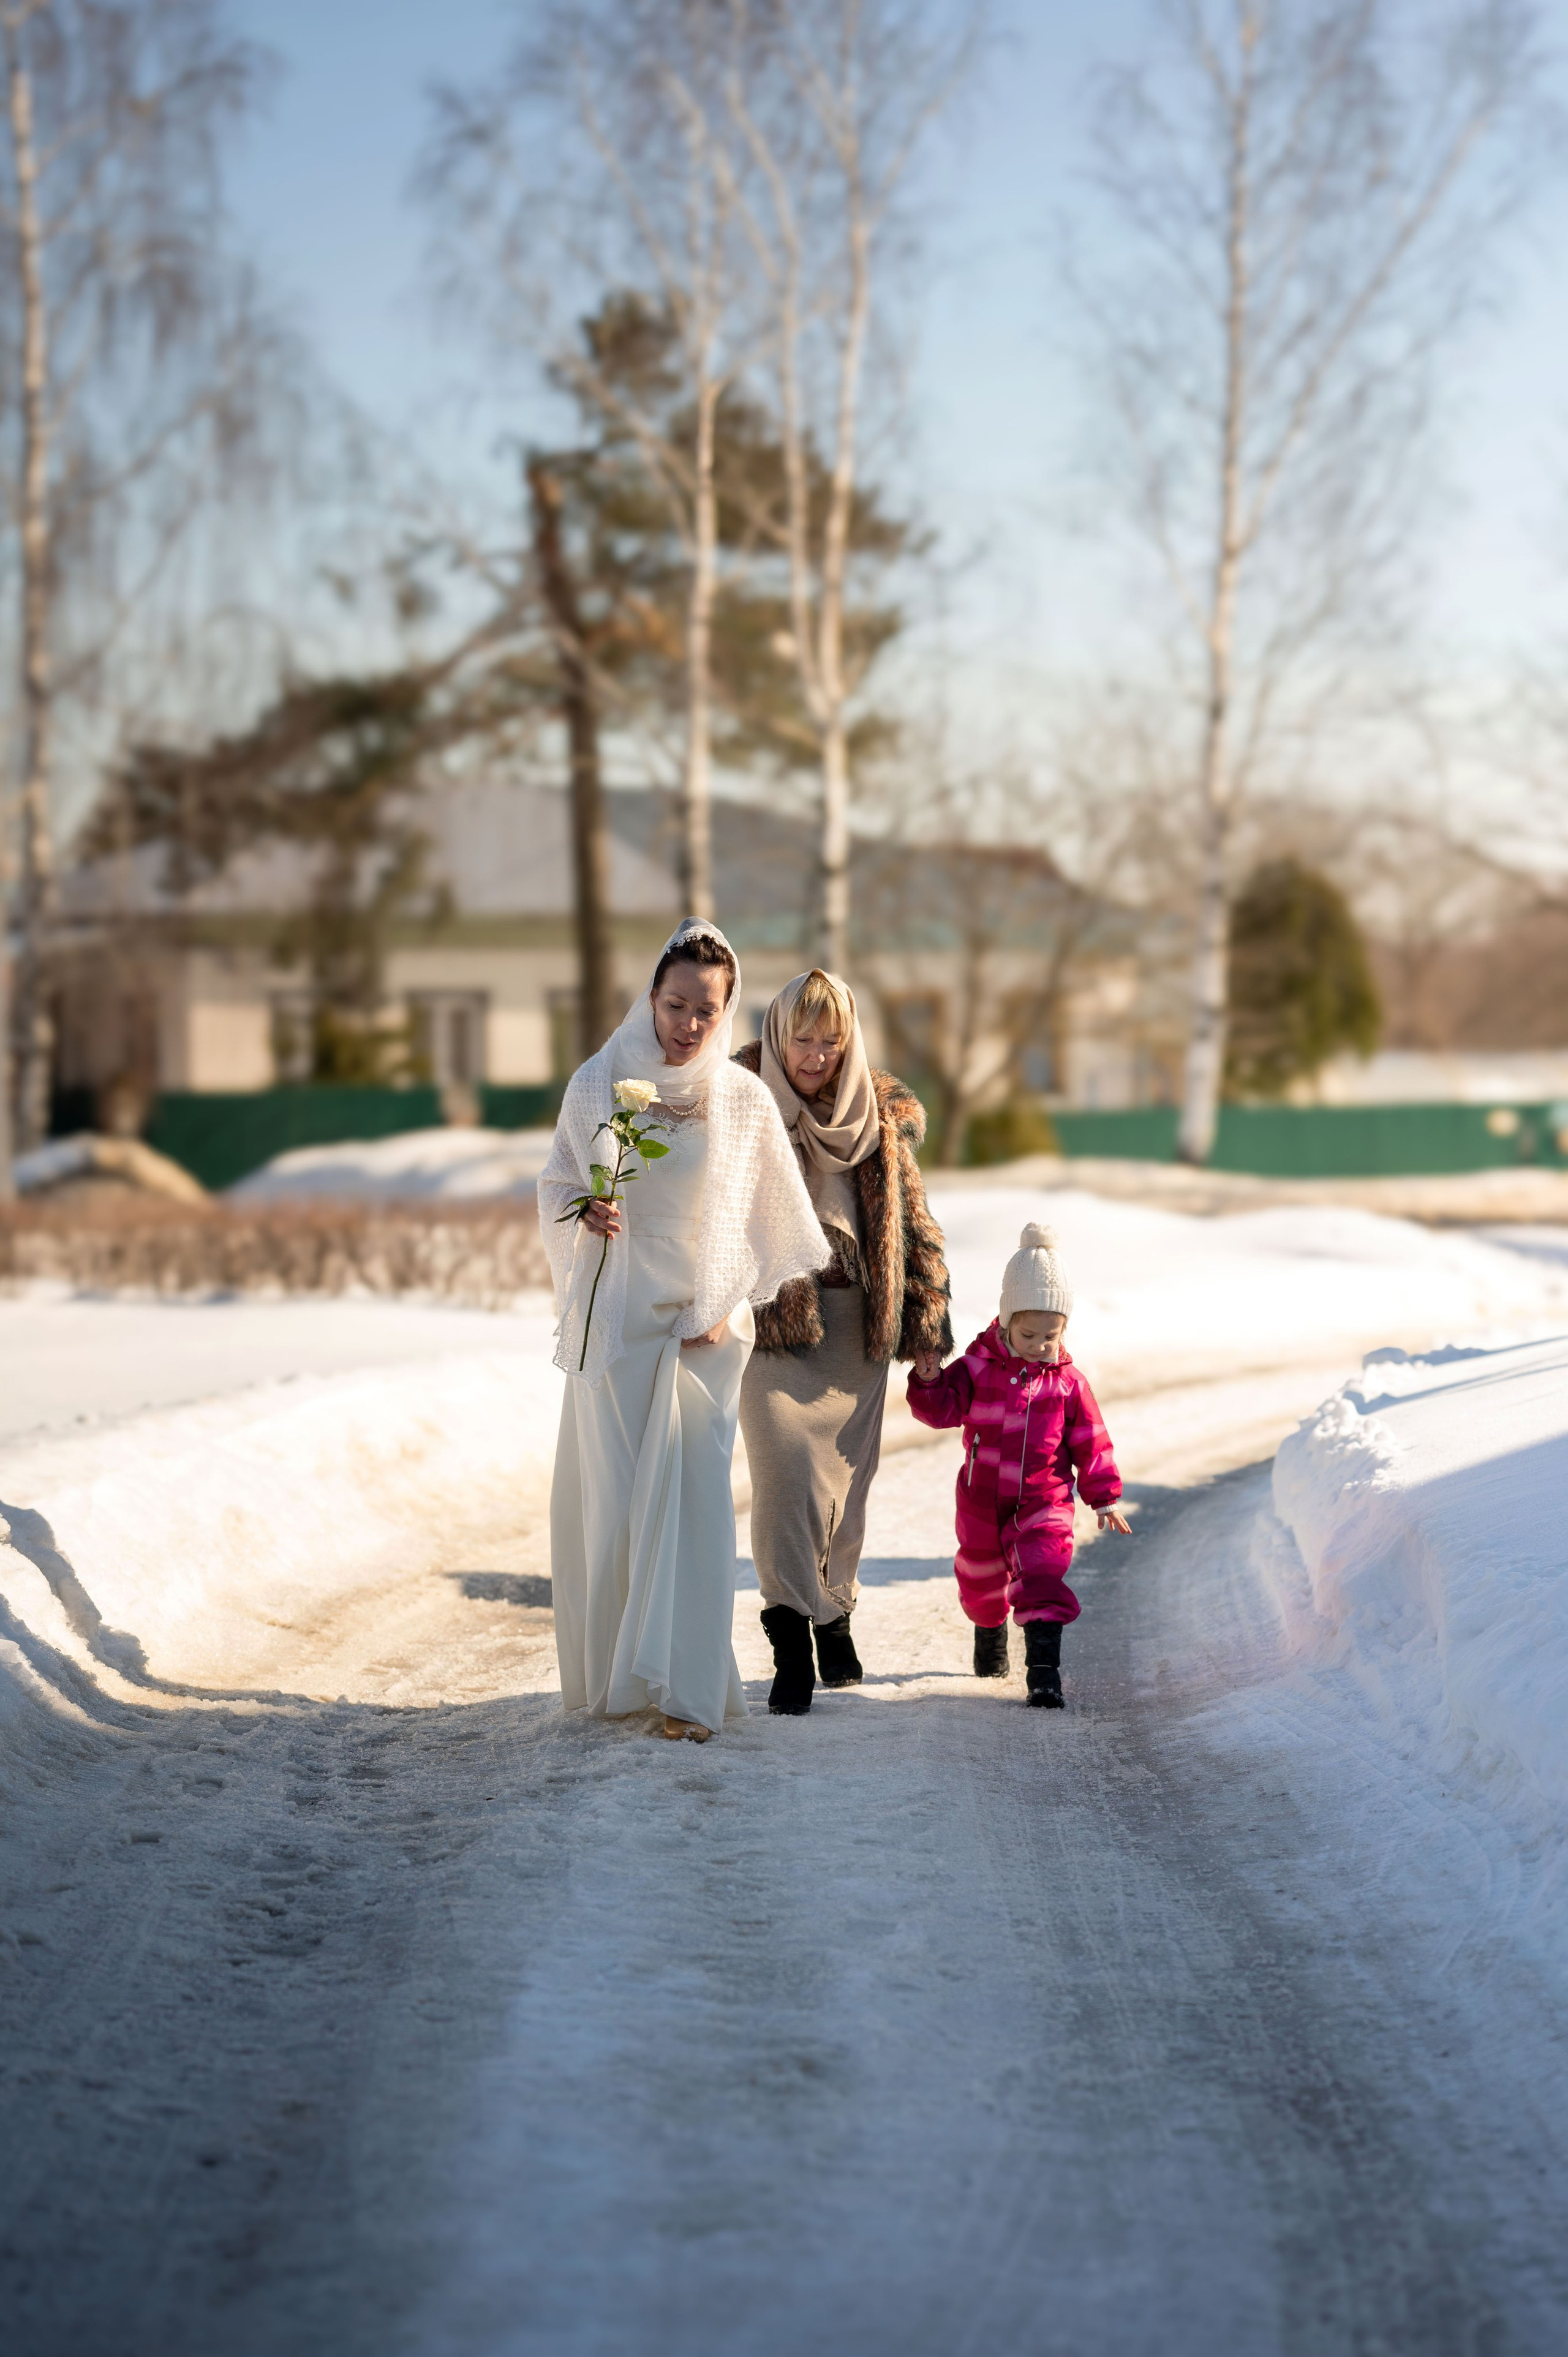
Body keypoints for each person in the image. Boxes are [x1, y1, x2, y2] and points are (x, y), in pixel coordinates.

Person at [540, 919, 829, 1741]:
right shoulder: (598, 1083)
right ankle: (623, 1681)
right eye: (675, 1005)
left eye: (708, 1011)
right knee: (622, 1503)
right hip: (619, 1321)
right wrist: (581, 1211)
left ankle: (688, 1694)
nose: (688, 1025)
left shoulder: (741, 1101)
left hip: (704, 1329)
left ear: (727, 1010)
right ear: (652, 996)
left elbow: (779, 1226)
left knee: (696, 1502)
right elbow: (558, 1181)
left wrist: (726, 1298)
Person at [734, 969, 952, 1714]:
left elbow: (916, 1230)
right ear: (776, 1033)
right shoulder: (739, 1102)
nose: (817, 1055)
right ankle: (790, 1642)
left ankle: (836, 1613)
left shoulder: (881, 1116)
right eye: (802, 1038)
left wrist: (927, 1329)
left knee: (844, 1493)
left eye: (833, 1040)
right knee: (785, 1482)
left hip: (856, 1330)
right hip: (772, 1325)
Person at [907, 1221, 1129, 1708]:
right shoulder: (976, 1369)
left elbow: (1093, 1443)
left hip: (1043, 1499)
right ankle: (989, 1633)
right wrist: (928, 1380)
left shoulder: (1069, 1384)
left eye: (1051, 1335)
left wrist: (1104, 1495)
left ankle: (1044, 1674)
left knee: (1044, 1573)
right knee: (981, 1581)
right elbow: (940, 1410)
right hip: (981, 1499)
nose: (1040, 1344)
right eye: (1028, 1334)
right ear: (1005, 1321)